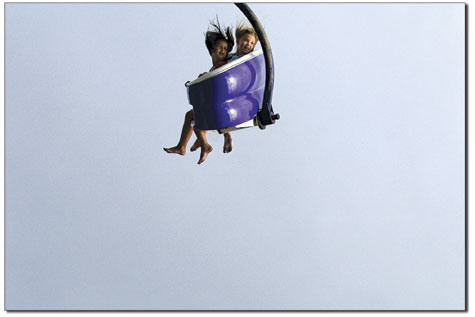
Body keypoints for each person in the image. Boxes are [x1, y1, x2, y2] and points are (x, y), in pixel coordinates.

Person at [163, 20, 234, 164]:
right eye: (219, 47)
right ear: (212, 50)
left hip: (223, 104)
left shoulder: (224, 65)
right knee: (192, 114)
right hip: (216, 105)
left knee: (196, 114)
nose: (222, 50)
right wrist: (202, 78)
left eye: (225, 49)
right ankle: (186, 145)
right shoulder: (214, 69)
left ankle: (204, 144)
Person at [188, 22, 259, 157]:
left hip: (238, 90)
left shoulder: (245, 59)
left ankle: (210, 140)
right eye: (246, 41)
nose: (248, 45)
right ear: (238, 41)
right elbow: (219, 65)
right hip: (227, 88)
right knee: (200, 114)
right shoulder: (230, 58)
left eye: (251, 43)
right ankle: (202, 140)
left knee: (209, 109)